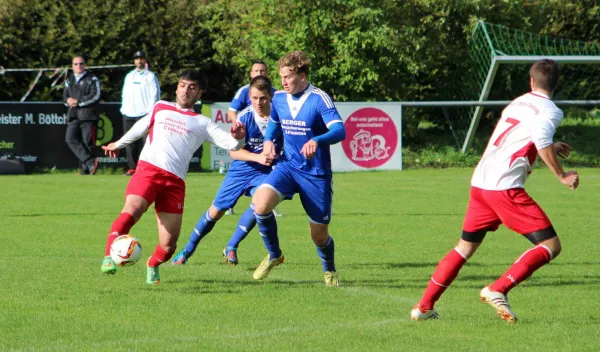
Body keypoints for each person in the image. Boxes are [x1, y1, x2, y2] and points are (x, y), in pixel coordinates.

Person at [410, 59, 579, 323]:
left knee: (464, 248)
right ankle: (498, 289)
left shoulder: (519, 101)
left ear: (531, 82)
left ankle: (423, 307)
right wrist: (562, 175)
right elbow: (541, 138)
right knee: (550, 245)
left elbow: (525, 137)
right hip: (505, 188)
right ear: (557, 84)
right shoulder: (551, 110)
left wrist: (549, 146)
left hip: (481, 183)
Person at [99, 70, 246, 284]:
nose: (186, 90)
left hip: (174, 183)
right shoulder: (160, 107)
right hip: (148, 171)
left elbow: (232, 145)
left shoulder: (203, 123)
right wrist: (117, 144)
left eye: (192, 87)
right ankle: (107, 257)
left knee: (168, 247)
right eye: (183, 84)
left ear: (199, 93)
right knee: (132, 210)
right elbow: (141, 127)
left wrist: (239, 138)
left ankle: (152, 264)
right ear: (177, 87)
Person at [250, 50, 346, 286]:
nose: (283, 82)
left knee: (319, 236)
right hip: (288, 167)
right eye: (281, 77)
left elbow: (340, 130)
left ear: (302, 76)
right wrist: (269, 142)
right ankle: (274, 254)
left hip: (315, 175)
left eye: (288, 76)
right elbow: (274, 126)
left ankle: (329, 270)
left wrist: (317, 140)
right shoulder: (280, 99)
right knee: (260, 205)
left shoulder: (319, 98)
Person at [171, 75, 283, 266]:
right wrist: (258, 157)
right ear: (250, 96)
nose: (258, 102)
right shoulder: (245, 117)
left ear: (270, 96)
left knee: (260, 205)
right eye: (254, 98)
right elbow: (234, 153)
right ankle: (187, 250)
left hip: (265, 173)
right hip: (241, 170)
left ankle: (232, 246)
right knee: (216, 212)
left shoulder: (281, 116)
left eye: (263, 98)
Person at [226, 59, 281, 216]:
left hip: (267, 133)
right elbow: (232, 110)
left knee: (269, 170)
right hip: (248, 135)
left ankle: (268, 205)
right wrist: (239, 129)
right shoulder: (244, 91)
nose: (259, 73)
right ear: (251, 73)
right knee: (240, 169)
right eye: (256, 71)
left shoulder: (275, 93)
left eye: (262, 71)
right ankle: (230, 203)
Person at [120, 50, 160, 176]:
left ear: (145, 60)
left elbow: (155, 95)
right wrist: (124, 109)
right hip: (129, 113)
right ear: (134, 61)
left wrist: (150, 113)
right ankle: (132, 168)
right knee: (129, 142)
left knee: (145, 143)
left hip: (144, 114)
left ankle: (145, 169)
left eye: (141, 58)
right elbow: (125, 94)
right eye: (137, 59)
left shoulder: (150, 76)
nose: (139, 61)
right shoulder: (129, 76)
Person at [63, 55, 101, 175]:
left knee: (87, 142)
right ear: (72, 66)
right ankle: (90, 162)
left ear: (85, 65)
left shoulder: (92, 78)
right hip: (73, 115)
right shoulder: (69, 80)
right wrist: (67, 101)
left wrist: (79, 102)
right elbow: (65, 96)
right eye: (76, 64)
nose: (78, 66)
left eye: (81, 64)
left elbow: (96, 95)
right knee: (70, 139)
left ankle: (86, 169)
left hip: (88, 115)